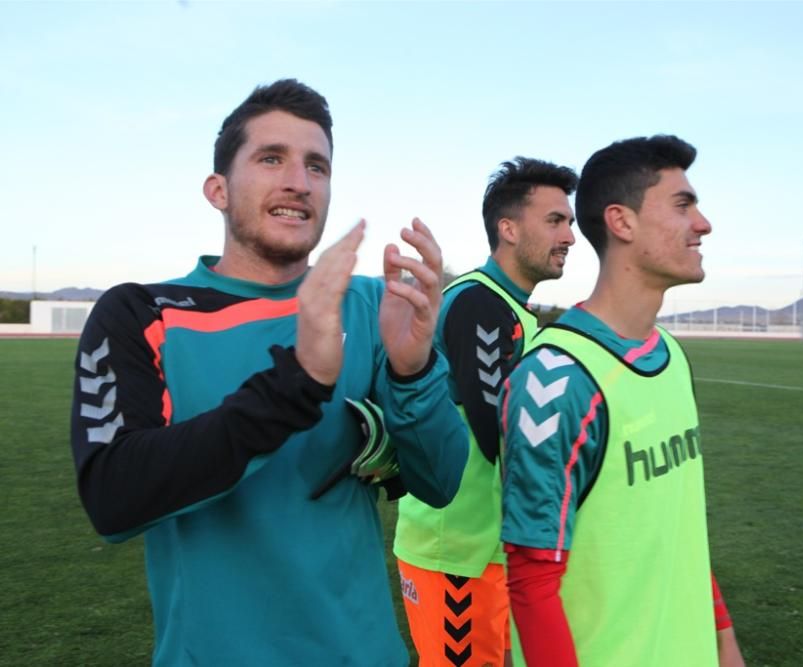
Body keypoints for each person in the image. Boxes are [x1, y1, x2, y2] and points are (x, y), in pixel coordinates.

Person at [69, 79, 468, 667]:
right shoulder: (143, 313)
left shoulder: (369, 306)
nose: (299, 182)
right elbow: (114, 497)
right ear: (218, 190)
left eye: (317, 166)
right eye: (270, 158)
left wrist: (413, 372)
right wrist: (297, 385)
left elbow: (441, 480)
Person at [499, 135, 746, 666]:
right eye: (683, 205)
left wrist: (722, 638)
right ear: (622, 222)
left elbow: (676, 530)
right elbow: (532, 582)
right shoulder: (555, 379)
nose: (702, 224)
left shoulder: (672, 356)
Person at [393, 157, 578, 666]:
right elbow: (502, 433)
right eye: (555, 220)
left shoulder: (510, 308)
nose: (570, 236)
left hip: (489, 552)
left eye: (570, 222)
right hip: (458, 552)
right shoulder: (480, 304)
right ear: (509, 228)